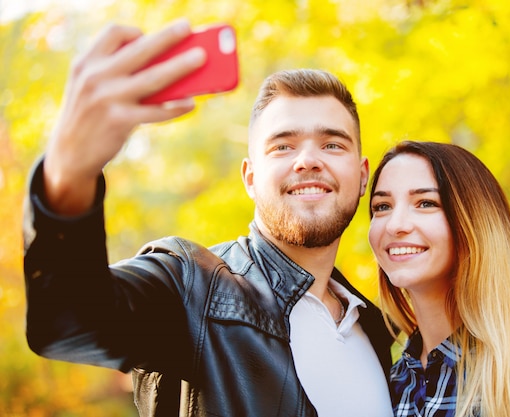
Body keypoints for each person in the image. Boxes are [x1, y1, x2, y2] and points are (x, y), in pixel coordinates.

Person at [22, 19, 394, 417]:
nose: (307, 161)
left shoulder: (377, 329)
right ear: (250, 178)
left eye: (332, 144)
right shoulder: (191, 288)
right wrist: (67, 174)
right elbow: (70, 322)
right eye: (283, 146)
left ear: (361, 177)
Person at [367, 141, 510, 417]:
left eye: (426, 203)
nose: (395, 225)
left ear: (473, 223)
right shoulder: (389, 383)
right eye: (382, 206)